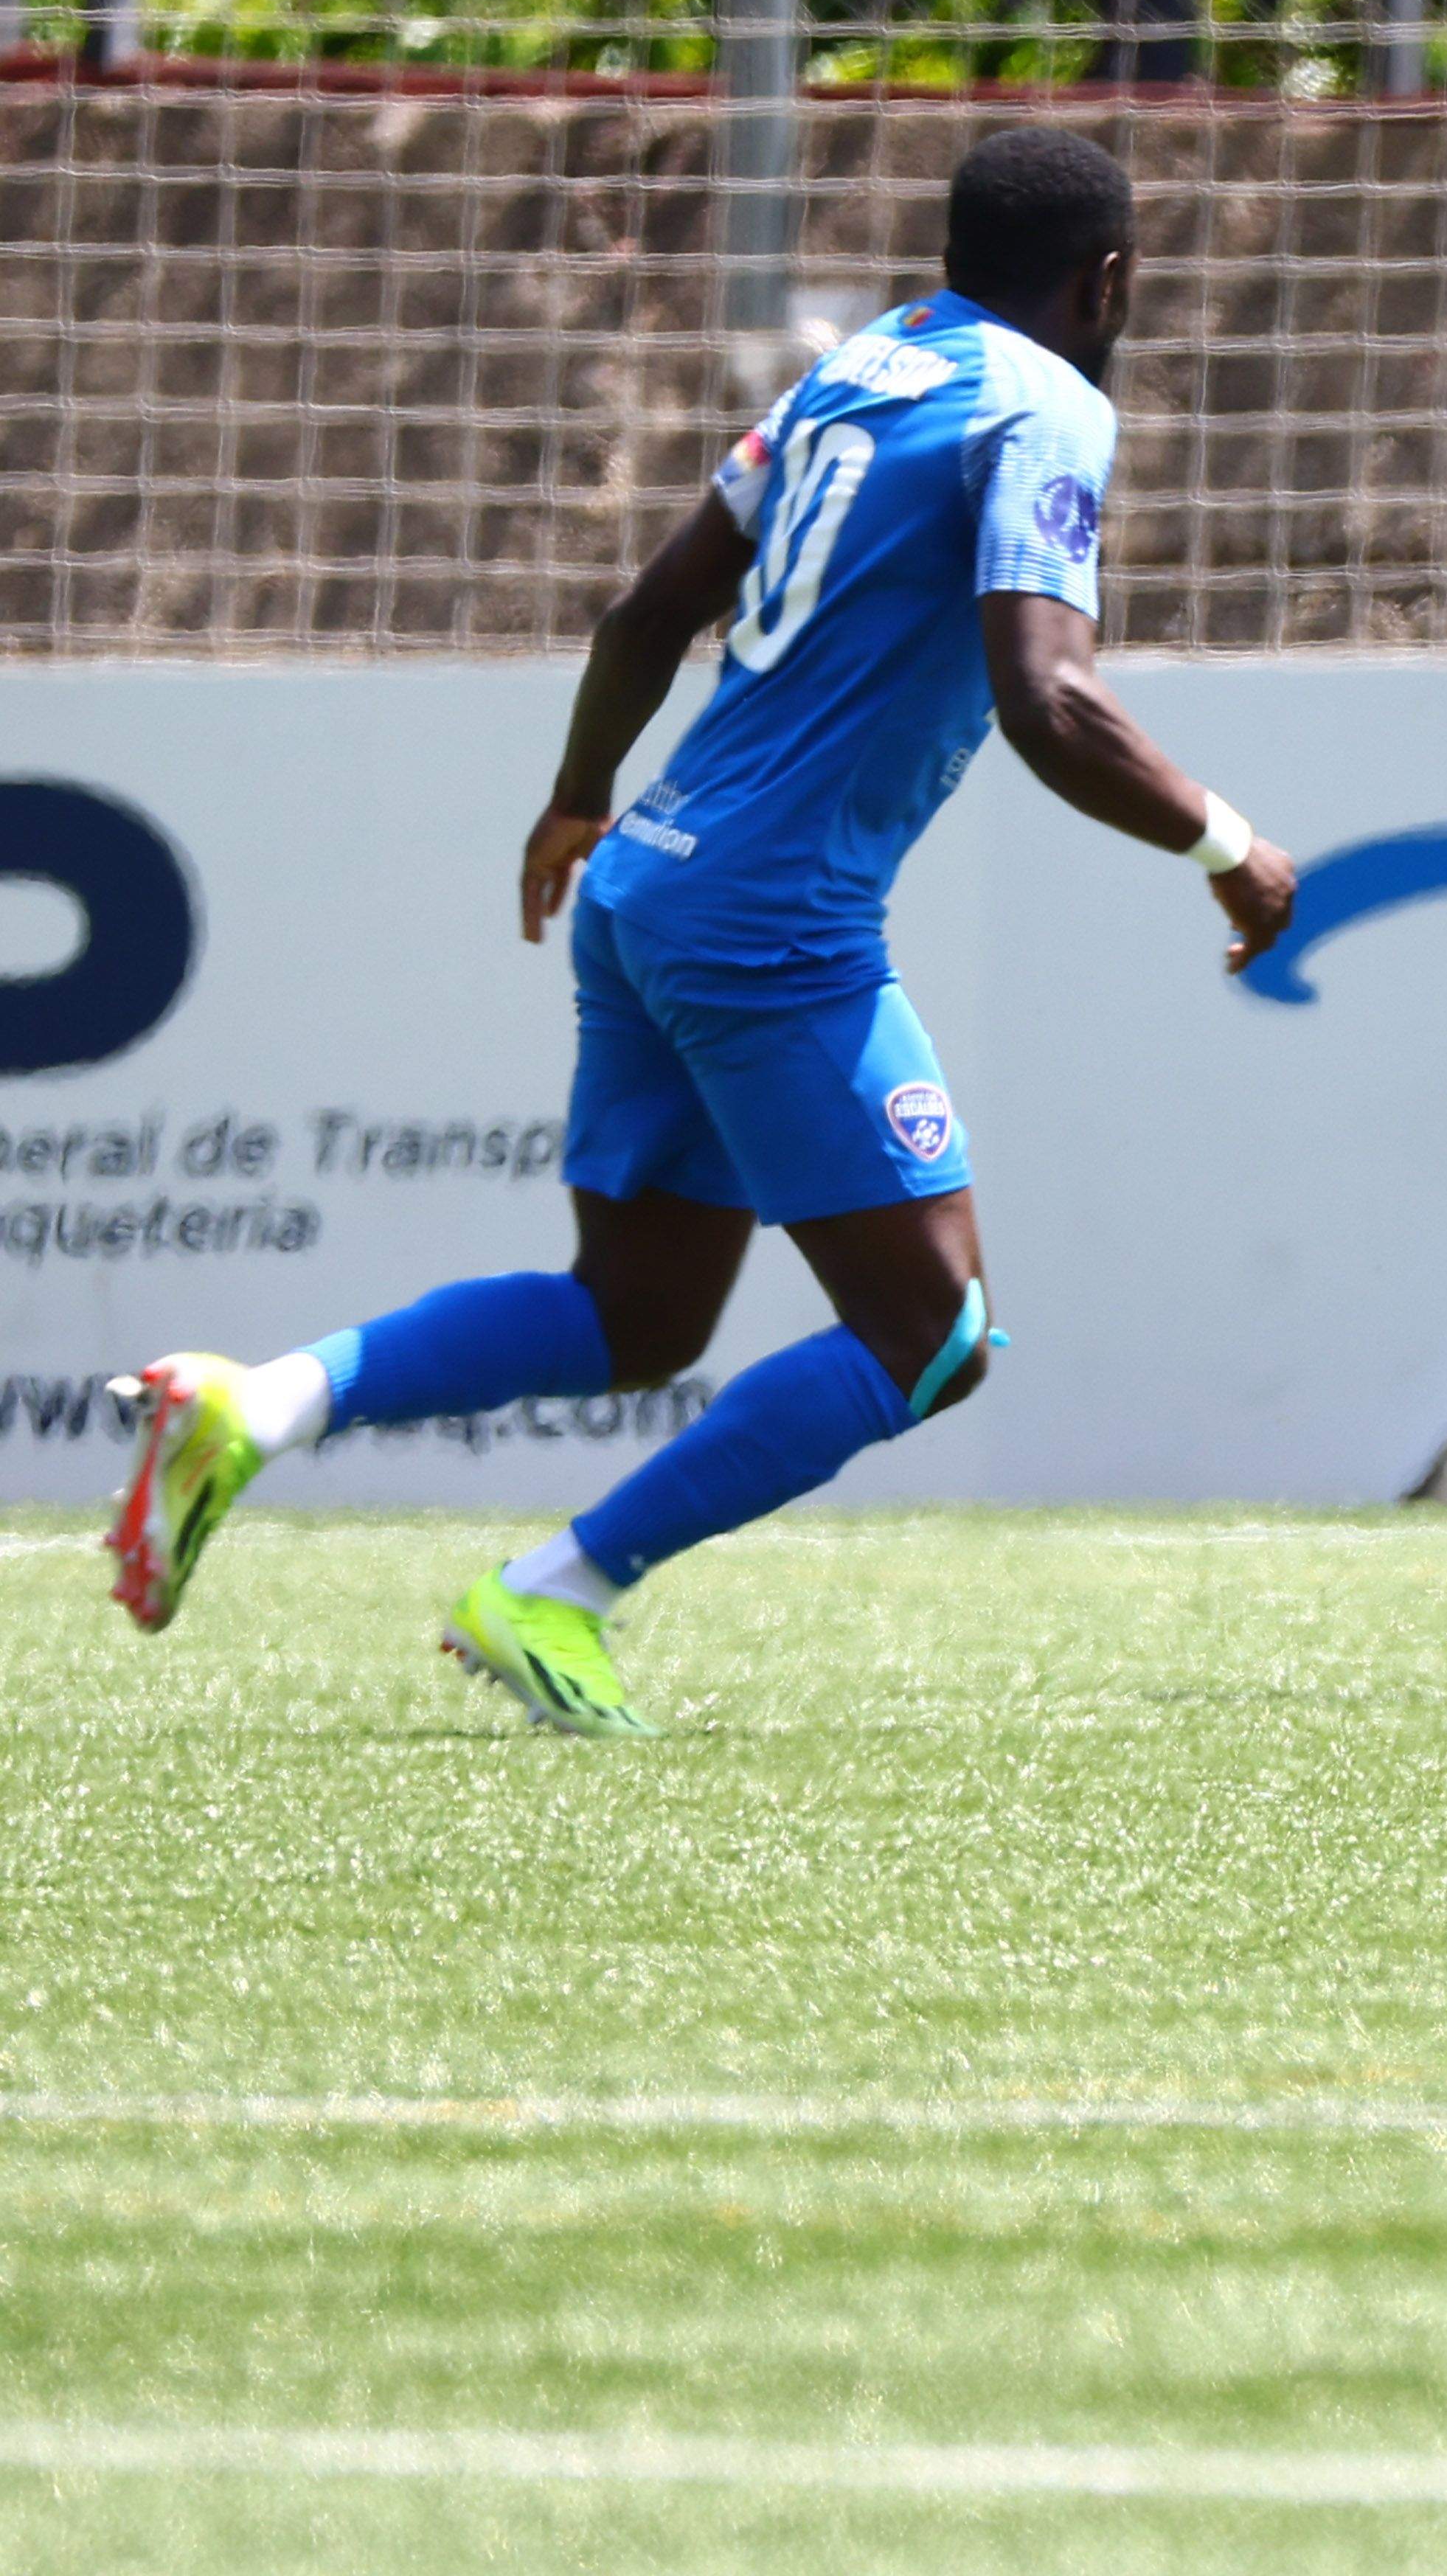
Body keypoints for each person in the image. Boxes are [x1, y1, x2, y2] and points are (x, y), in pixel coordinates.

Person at [99, 128, 1299, 1737]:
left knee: (638, 1316)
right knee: (933, 1334)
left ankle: (256, 1400)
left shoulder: (854, 371)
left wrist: (575, 798)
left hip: (650, 871)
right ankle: (554, 1593)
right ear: (1111, 280)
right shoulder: (1048, 404)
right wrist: (1227, 843)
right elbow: (1049, 693)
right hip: (773, 923)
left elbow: (647, 611)